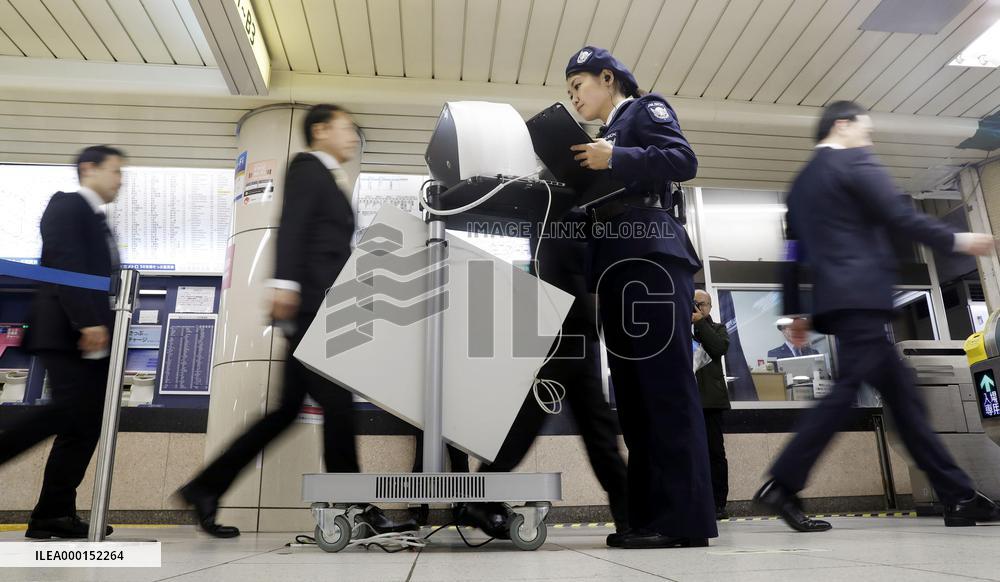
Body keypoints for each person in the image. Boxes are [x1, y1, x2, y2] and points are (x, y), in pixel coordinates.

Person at [753, 100, 1000, 532]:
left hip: (838, 301)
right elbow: (898, 215)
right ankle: (783, 482)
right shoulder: (854, 160)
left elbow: (791, 253)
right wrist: (956, 239)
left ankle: (958, 495)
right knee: (845, 393)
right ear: (843, 126)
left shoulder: (801, 185)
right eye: (866, 131)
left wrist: (793, 308)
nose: (869, 140)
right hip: (862, 297)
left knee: (904, 402)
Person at [179, 104, 413, 537]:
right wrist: (284, 285)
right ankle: (354, 505)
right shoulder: (308, 169)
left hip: (317, 307)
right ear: (321, 130)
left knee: (287, 412)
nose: (351, 138)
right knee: (338, 408)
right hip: (308, 307)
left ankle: (206, 487)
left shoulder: (328, 177)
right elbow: (293, 227)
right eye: (345, 129)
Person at [566, 46, 717, 549]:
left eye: (579, 85)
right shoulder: (601, 139)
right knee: (633, 398)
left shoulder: (644, 109)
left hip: (649, 256)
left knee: (663, 390)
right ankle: (649, 518)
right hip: (617, 262)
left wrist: (618, 157)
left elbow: (683, 160)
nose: (575, 97)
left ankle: (683, 521)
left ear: (608, 78)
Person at [457, 222, 629, 541]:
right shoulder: (565, 210)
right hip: (569, 326)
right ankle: (629, 513)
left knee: (583, 423)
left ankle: (628, 512)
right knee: (577, 422)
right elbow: (575, 267)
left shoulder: (561, 211)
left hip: (569, 325)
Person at [0, 145, 124, 538]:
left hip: (90, 334)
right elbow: (64, 262)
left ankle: (52, 513)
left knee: (84, 424)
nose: (120, 180)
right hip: (68, 329)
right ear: (89, 168)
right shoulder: (67, 205)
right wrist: (87, 320)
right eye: (115, 171)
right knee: (67, 412)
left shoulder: (97, 219)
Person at [692, 290, 731, 520]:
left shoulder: (718, 328)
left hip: (710, 402)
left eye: (702, 304)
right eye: (694, 304)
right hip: (686, 403)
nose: (698, 308)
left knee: (715, 453)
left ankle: (718, 504)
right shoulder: (680, 328)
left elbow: (718, 348)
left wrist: (700, 323)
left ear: (710, 306)